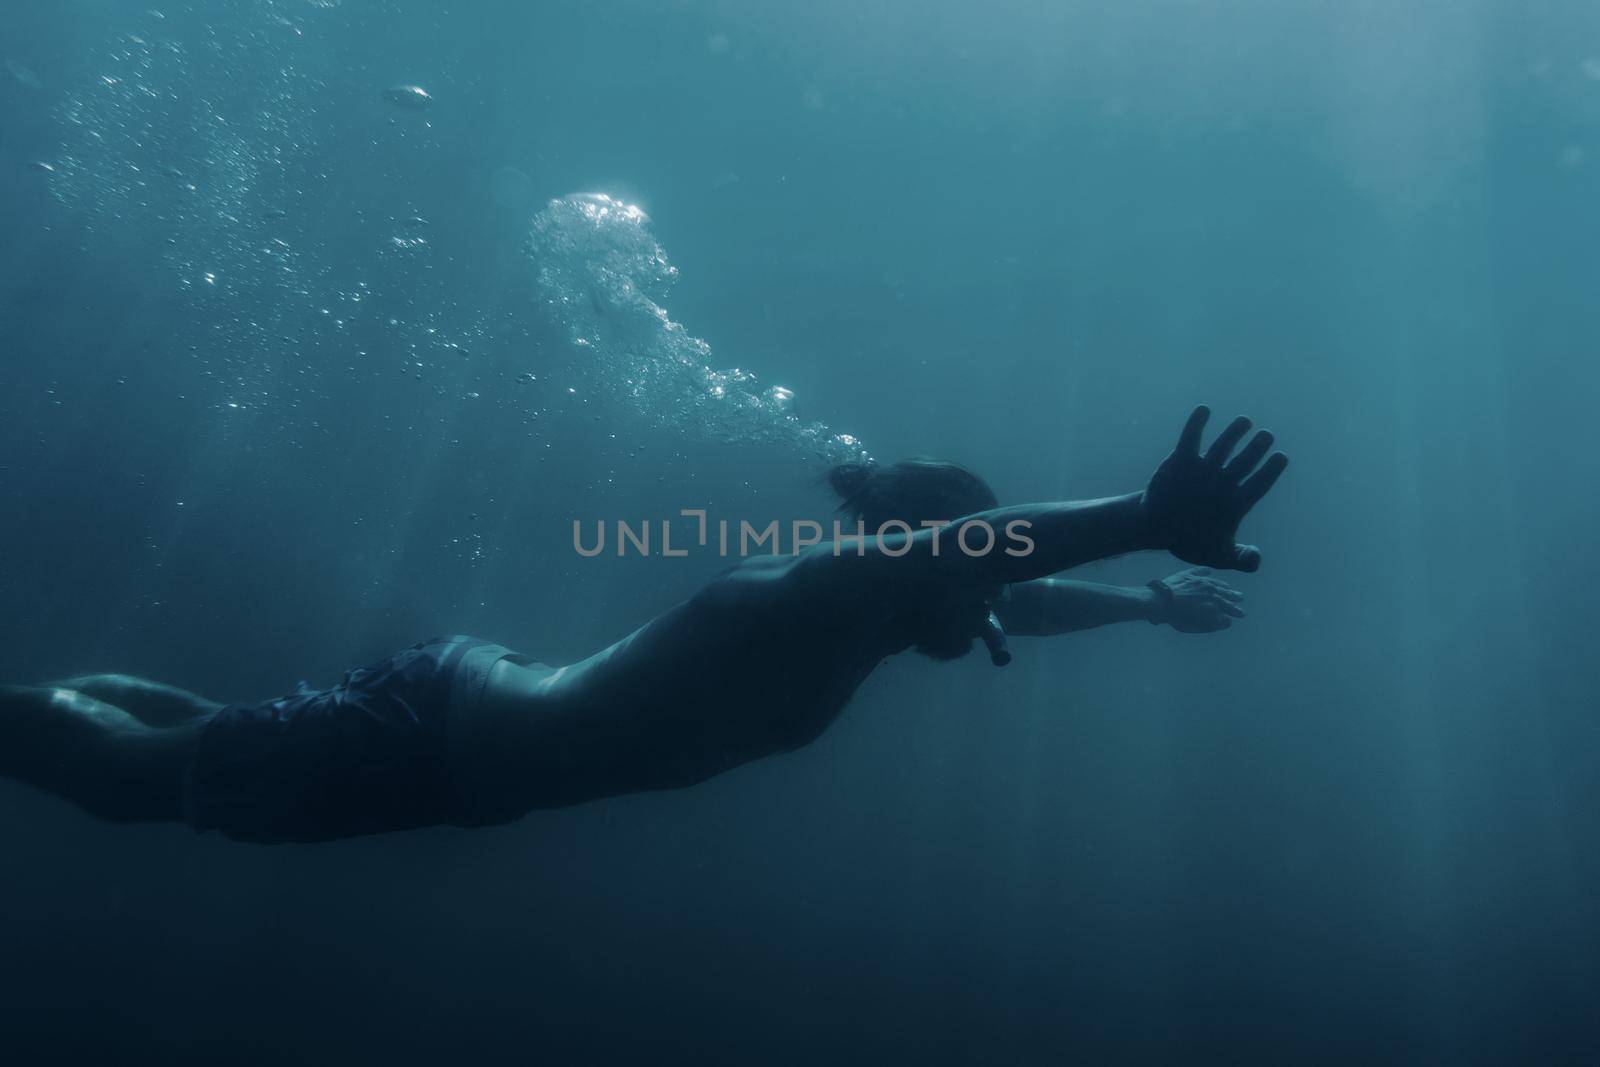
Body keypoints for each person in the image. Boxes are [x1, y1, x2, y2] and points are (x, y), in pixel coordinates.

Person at [0, 406, 1286, 843]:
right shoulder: (813, 590)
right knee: (131, 790)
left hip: (453, 741)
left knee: (198, 749)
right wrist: (1136, 514)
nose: (995, 605)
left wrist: (1145, 603)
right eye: (976, 574)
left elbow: (1020, 590)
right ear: (924, 560)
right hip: (427, 739)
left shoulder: (901, 614)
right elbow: (983, 558)